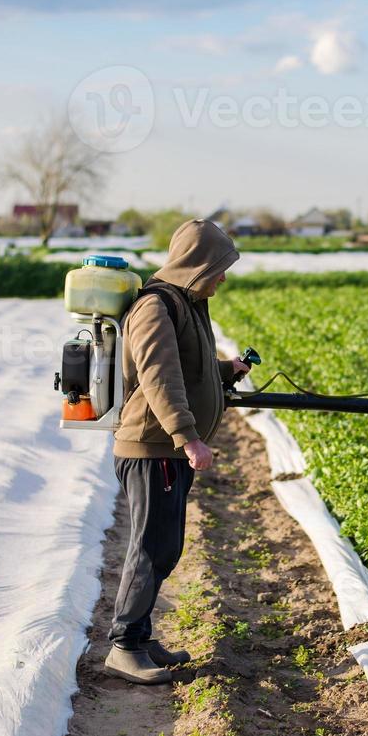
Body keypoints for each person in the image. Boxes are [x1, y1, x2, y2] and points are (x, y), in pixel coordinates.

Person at [104, 219, 250, 685]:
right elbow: (159, 378)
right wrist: (189, 438)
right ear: (198, 263)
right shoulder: (155, 306)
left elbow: (188, 366)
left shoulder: (185, 302)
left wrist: (225, 370)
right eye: (220, 267)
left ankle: (142, 639)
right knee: (150, 547)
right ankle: (124, 647)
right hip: (152, 448)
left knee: (165, 546)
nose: (223, 277)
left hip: (163, 452)